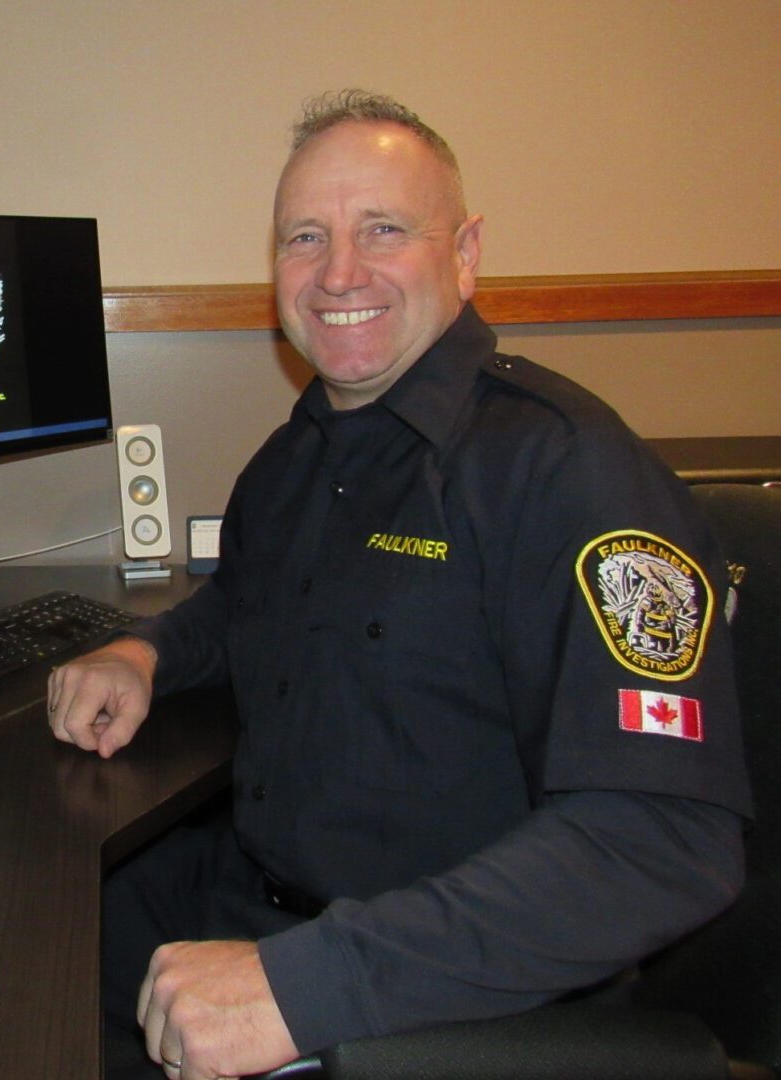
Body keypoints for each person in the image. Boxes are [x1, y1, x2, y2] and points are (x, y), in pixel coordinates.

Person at [47, 90, 751, 1080]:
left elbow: (665, 838)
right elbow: (242, 599)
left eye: (383, 228)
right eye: (305, 236)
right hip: (258, 895)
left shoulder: (567, 473)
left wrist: (304, 988)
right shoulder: (295, 460)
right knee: (16, 950)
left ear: (464, 255)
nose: (339, 272)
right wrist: (147, 651)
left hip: (429, 989)